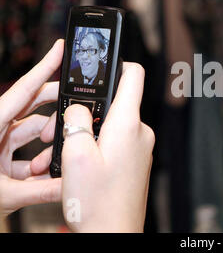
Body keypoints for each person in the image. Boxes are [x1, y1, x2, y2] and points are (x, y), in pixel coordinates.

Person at [0, 39, 155, 232]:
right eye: (81, 50)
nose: (84, 56)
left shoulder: (97, 78)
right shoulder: (74, 76)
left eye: (91, 50)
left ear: (102, 52)